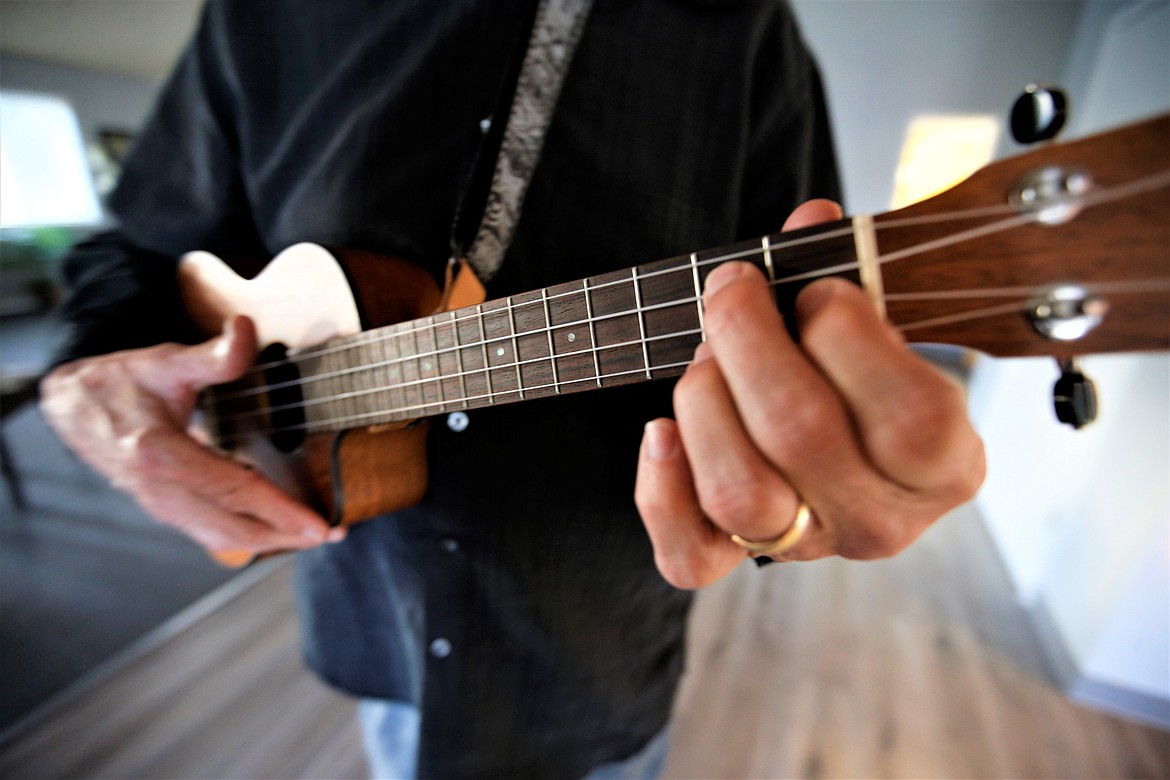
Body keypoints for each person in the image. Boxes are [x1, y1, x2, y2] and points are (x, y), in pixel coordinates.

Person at [38, 0, 985, 776]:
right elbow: (130, 253)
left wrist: (796, 495)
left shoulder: (743, 32)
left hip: (589, 656)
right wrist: (90, 376)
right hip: (376, 616)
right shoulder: (263, 17)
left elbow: (804, 330)